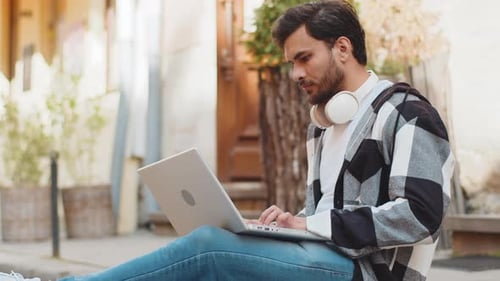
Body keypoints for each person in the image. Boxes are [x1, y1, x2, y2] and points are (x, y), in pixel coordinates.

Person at [4, 0, 454, 280]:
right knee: (214, 241)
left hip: (364, 274)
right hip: (328, 260)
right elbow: (328, 218)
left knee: (207, 250)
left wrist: (310, 226)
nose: (296, 74)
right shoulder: (323, 123)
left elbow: (420, 214)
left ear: (342, 48)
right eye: (291, 63)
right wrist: (290, 222)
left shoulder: (407, 113)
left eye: (303, 59)